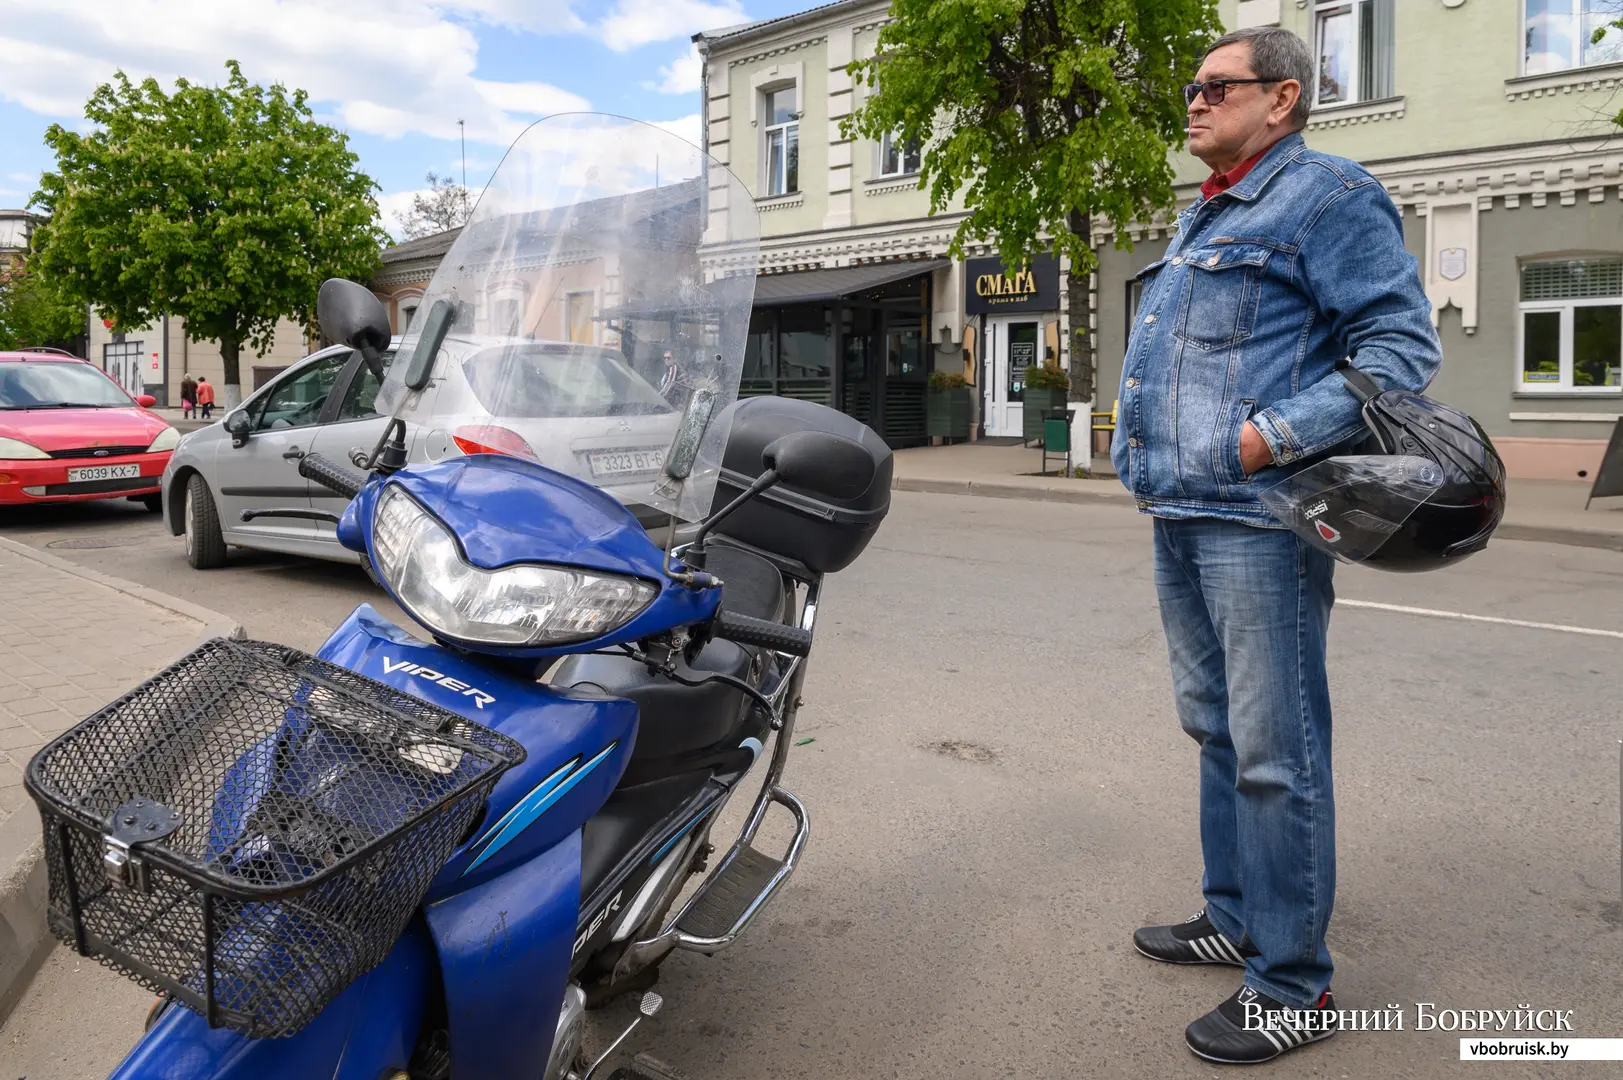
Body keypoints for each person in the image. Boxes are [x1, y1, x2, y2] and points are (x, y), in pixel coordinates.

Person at [1111, 27, 1441, 1064]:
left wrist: (1267, 438)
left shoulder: (1329, 199)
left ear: (1284, 98)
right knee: (1215, 730)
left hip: (1258, 518)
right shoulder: (1206, 210)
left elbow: (1399, 351)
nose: (1194, 102)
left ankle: (1293, 987)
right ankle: (1238, 916)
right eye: (1192, 88)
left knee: (1275, 752)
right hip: (1181, 508)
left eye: (1217, 86)